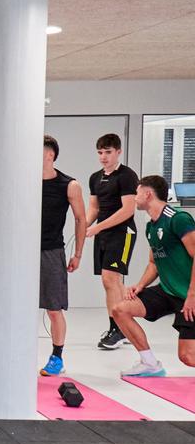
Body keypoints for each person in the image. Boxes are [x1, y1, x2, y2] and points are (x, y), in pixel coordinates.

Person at [113, 175, 195, 376]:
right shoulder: (151, 227)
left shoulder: (178, 219)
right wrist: (140, 285)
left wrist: (192, 295)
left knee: (188, 357)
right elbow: (154, 262)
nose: (135, 197)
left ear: (148, 194)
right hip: (168, 290)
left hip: (190, 294)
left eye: (137, 192)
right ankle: (150, 363)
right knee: (120, 309)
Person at [39, 135, 87, 376]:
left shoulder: (69, 185)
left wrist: (77, 254)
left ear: (50, 155)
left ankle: (57, 357)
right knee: (18, 307)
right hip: (23, 252)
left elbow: (81, 219)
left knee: (54, 309)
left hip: (52, 251)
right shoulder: (24, 181)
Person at [86, 134, 139, 350]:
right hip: (103, 234)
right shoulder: (95, 178)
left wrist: (98, 227)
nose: (103, 157)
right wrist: (84, 226)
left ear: (118, 152)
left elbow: (128, 209)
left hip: (122, 232)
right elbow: (94, 208)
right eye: (100, 152)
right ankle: (124, 326)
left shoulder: (127, 176)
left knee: (110, 279)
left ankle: (117, 329)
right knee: (112, 282)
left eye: (108, 152)